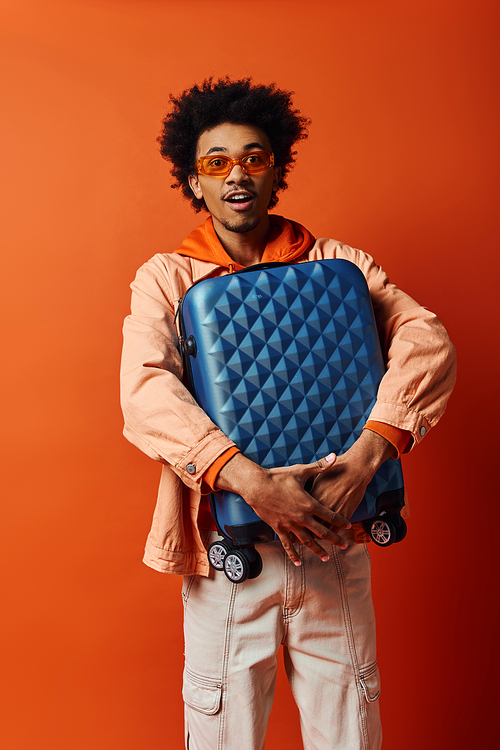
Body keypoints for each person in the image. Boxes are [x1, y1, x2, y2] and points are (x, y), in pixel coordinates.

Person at [120, 78, 456, 750]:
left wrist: (365, 460)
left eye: (254, 157)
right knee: (224, 736)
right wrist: (251, 482)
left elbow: (428, 340)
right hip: (228, 559)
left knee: (350, 733)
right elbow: (145, 390)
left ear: (278, 171)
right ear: (195, 180)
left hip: (333, 544)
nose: (237, 175)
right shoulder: (166, 278)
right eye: (217, 163)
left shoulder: (340, 265)